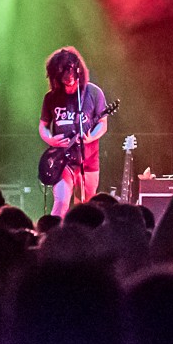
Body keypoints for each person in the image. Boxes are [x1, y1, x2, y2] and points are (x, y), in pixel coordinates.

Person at [38, 47, 109, 218]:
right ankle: (51, 236)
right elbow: (43, 126)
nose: (69, 86)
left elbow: (103, 124)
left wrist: (91, 136)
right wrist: (50, 139)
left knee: (84, 206)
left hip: (89, 159)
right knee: (61, 201)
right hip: (63, 160)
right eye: (64, 83)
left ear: (79, 75)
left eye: (72, 82)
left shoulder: (93, 93)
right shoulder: (51, 97)